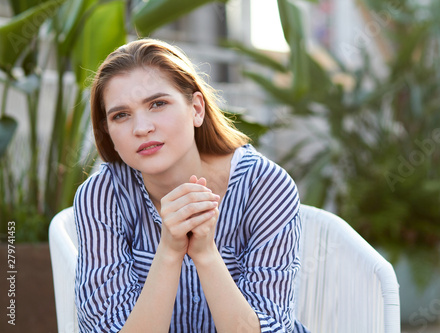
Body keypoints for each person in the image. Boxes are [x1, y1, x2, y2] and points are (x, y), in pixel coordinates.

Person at [74, 38, 309, 333]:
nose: (141, 128)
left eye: (158, 104)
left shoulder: (264, 188)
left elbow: (272, 328)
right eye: (121, 115)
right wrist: (169, 252)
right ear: (108, 131)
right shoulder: (102, 196)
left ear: (196, 109)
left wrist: (206, 254)